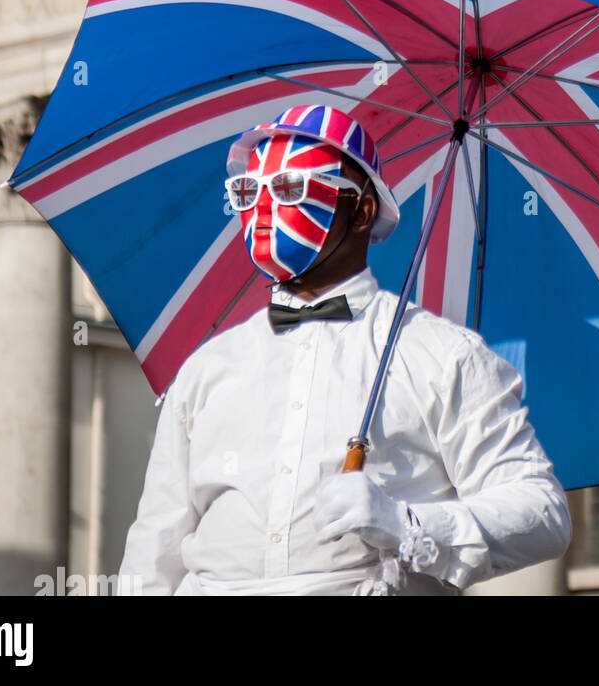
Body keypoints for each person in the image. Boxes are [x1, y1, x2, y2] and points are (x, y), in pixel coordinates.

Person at [118, 103, 572, 595]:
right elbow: (154, 552)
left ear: (362, 210)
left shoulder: (441, 355)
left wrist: (406, 525)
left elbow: (540, 511)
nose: (264, 207)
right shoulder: (206, 370)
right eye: (248, 191)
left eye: (291, 188)